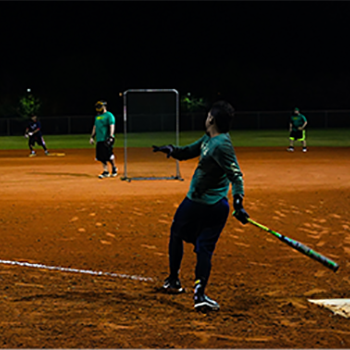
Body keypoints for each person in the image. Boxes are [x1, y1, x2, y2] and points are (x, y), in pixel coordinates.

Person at [153, 101, 249, 312]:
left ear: (211, 120)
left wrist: (239, 203)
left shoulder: (222, 145)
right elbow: (189, 151)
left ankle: (199, 294)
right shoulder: (209, 139)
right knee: (177, 235)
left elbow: (236, 176)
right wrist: (172, 150)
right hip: (196, 202)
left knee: (202, 247)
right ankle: (174, 281)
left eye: (207, 116)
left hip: (212, 205)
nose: (205, 119)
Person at [89, 100, 118, 178]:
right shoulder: (97, 117)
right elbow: (95, 127)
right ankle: (106, 171)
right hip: (99, 139)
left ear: (104, 107)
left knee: (109, 155)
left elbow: (112, 125)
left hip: (106, 138)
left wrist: (111, 136)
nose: (98, 108)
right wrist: (92, 137)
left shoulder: (109, 115)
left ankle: (114, 168)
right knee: (101, 156)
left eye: (100, 107)